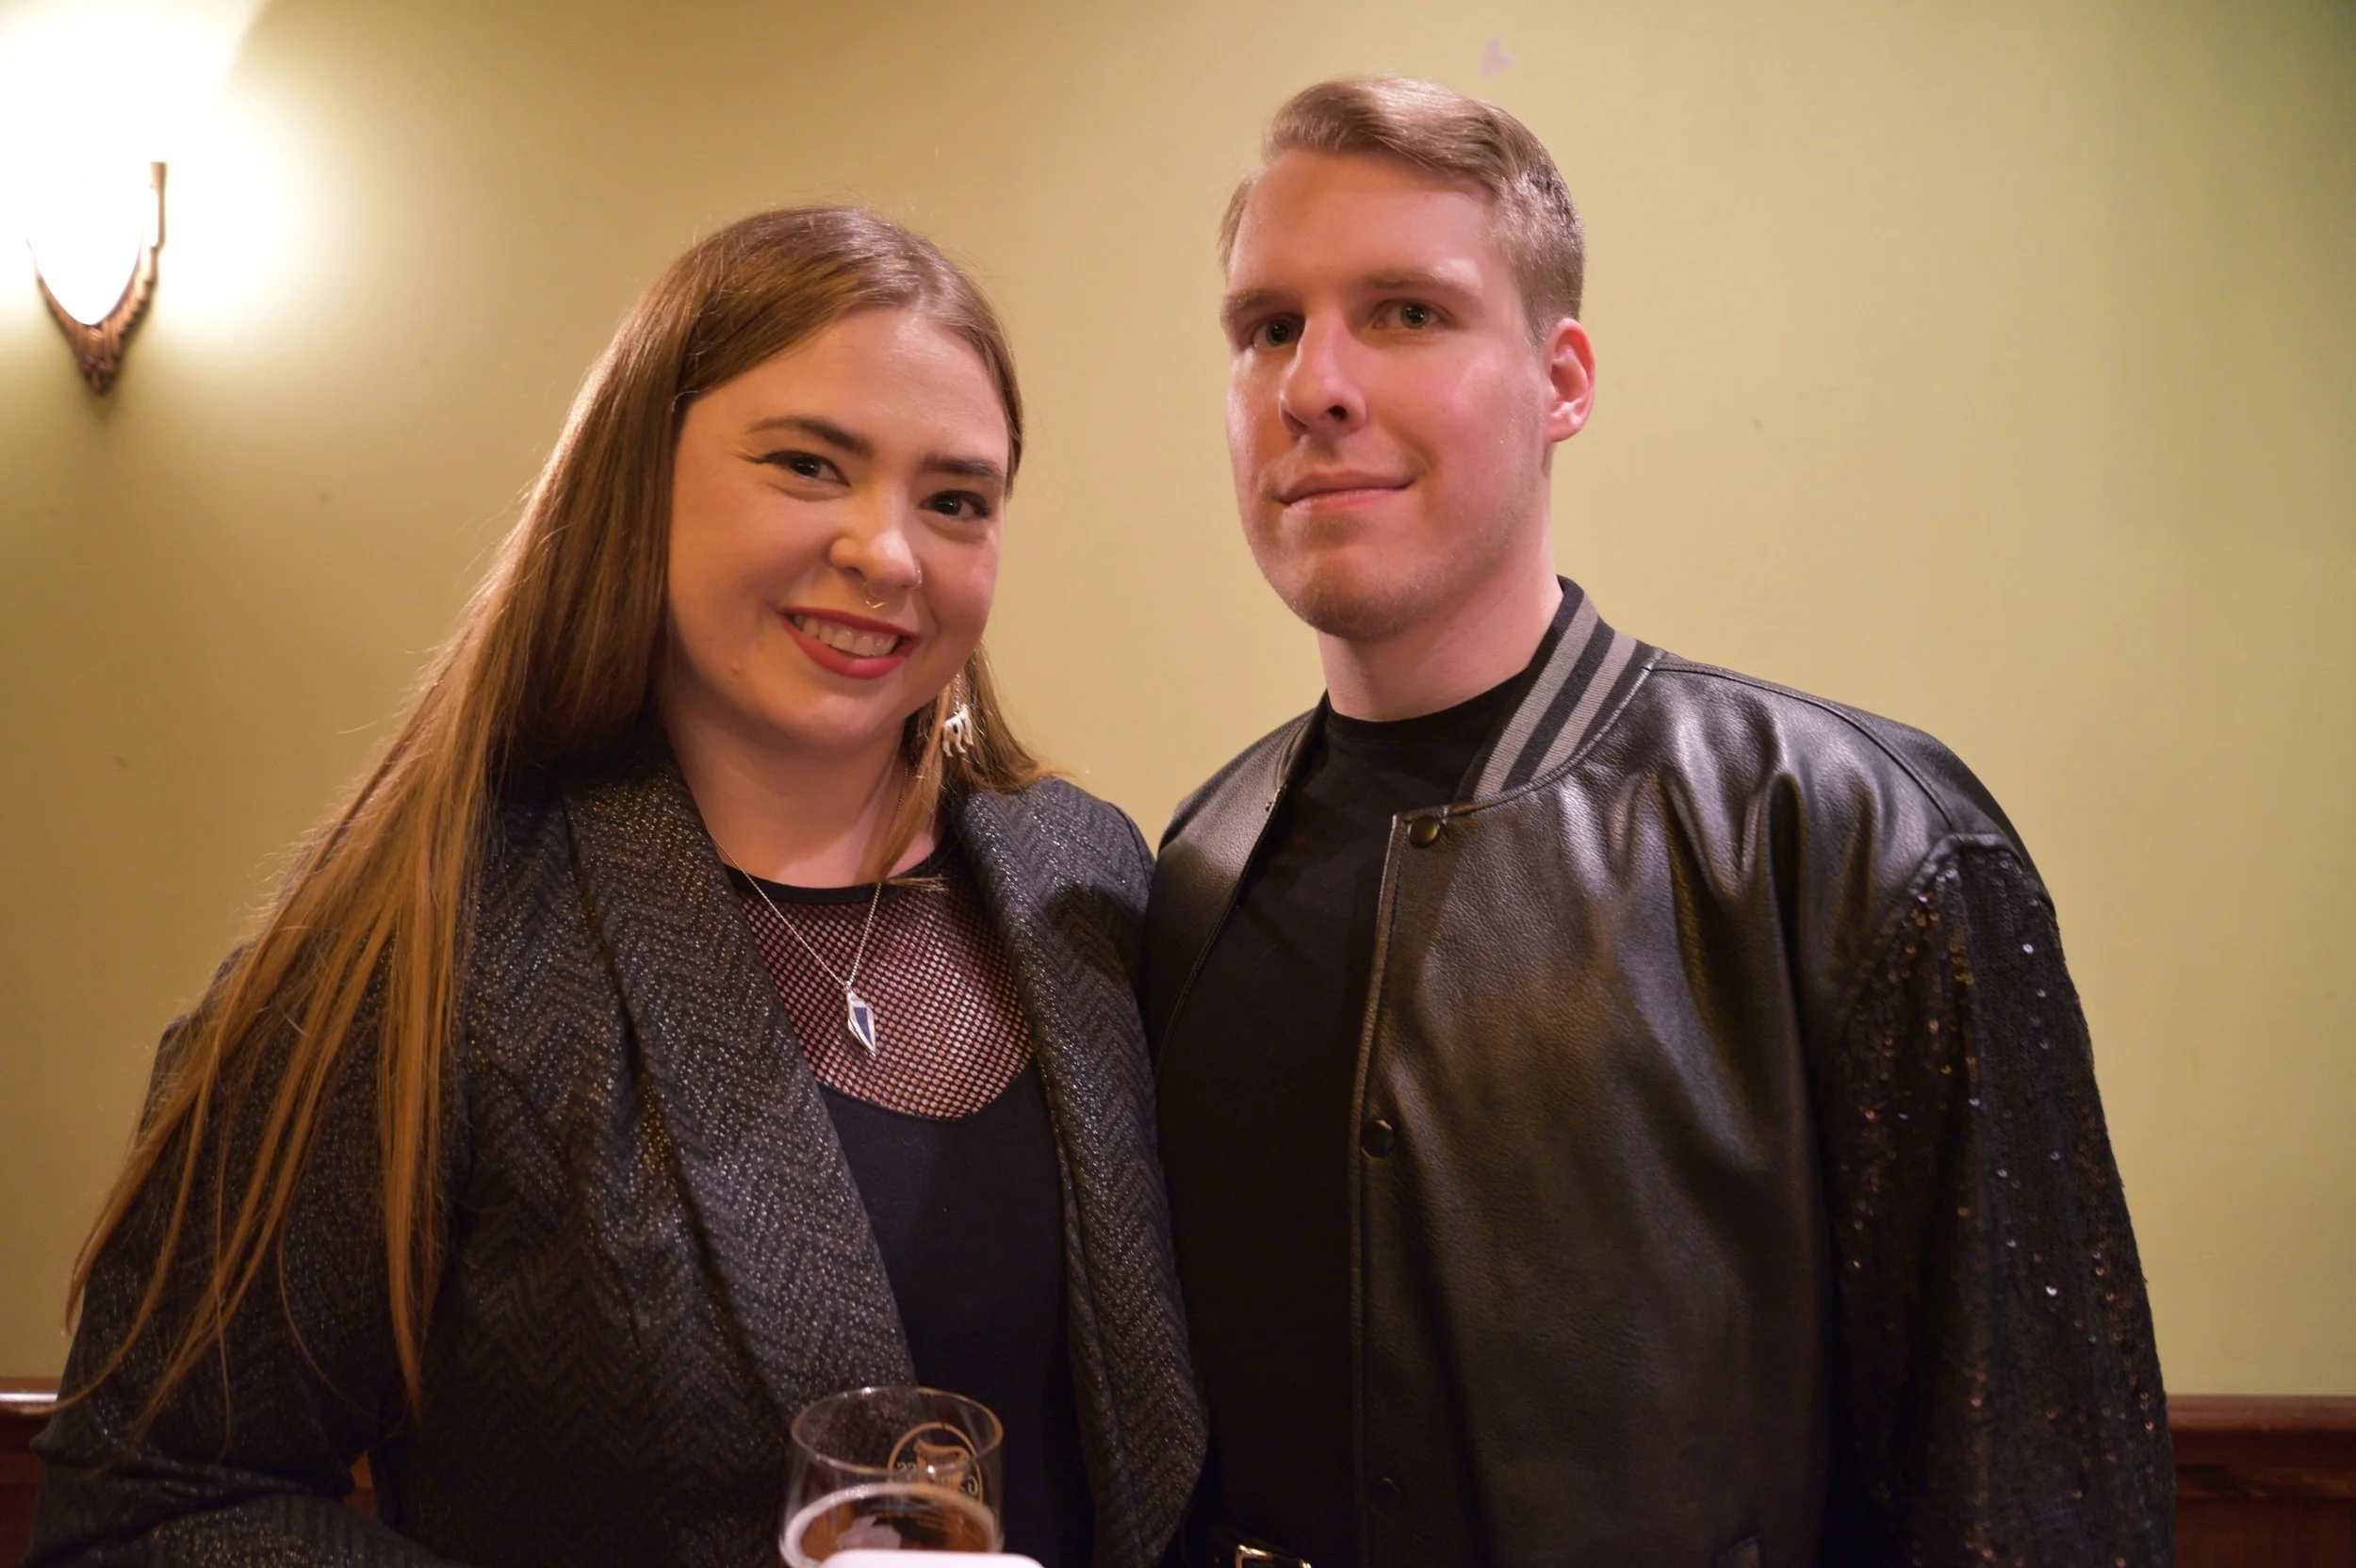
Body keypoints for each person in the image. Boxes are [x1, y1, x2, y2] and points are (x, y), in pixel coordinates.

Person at [30, 206, 1203, 1568]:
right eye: (809, 465)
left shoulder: (1088, 879)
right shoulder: (430, 944)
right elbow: (149, 1502)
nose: (888, 552)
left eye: (956, 501)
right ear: (637, 479)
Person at [1147, 77, 2170, 1567]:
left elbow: (2033, 1507)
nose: (1316, 384)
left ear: (1561, 381)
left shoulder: (1851, 843)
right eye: (1267, 327)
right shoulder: (1191, 869)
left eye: (1408, 313)